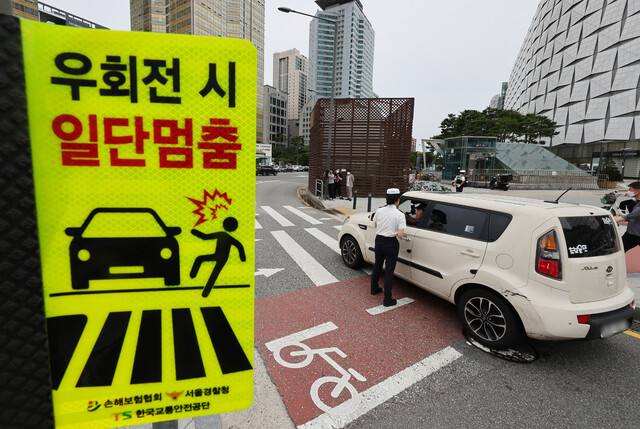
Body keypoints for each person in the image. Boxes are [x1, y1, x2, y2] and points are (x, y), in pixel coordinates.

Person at [190, 217, 246, 297]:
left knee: (201, 261)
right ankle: (194, 278)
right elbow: (239, 245)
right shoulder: (225, 236)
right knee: (212, 272)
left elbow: (205, 237)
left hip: (219, 257)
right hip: (221, 258)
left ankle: (194, 277)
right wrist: (242, 258)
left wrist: (194, 232)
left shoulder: (222, 234)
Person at [371, 188, 407, 307]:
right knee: (389, 271)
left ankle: (374, 288)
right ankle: (387, 299)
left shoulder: (379, 210)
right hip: (391, 243)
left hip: (379, 240)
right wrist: (393, 230)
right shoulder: (400, 215)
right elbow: (401, 235)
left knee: (377, 265)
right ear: (398, 200)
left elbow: (376, 224)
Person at [616, 181, 640, 252]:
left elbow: (634, 214)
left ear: (638, 191)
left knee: (619, 249)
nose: (629, 191)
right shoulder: (636, 201)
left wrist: (618, 220)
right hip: (632, 232)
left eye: (630, 190)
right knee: (620, 249)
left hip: (635, 233)